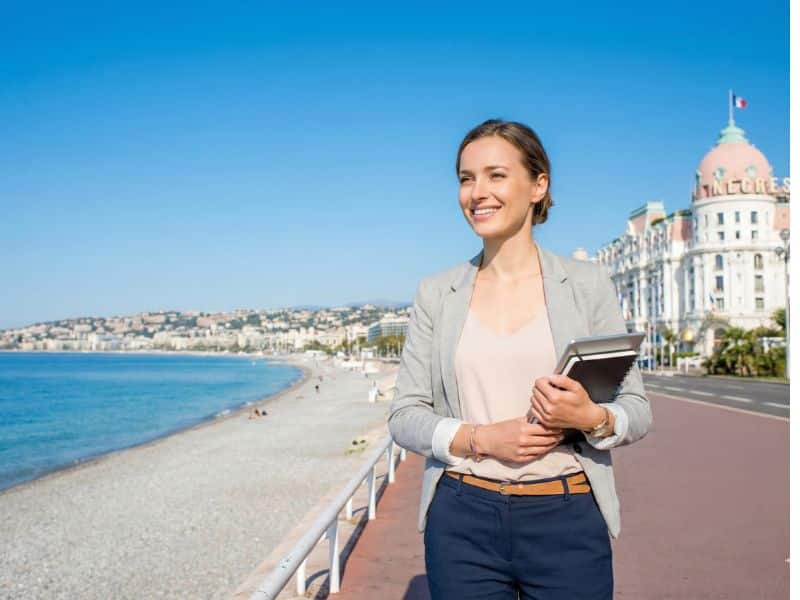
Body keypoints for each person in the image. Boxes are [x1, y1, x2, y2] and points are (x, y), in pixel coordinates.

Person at [387, 119, 652, 600]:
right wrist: (481, 438)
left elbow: (637, 410)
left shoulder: (586, 284)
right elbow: (404, 416)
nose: (476, 192)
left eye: (495, 175)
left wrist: (590, 417)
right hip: (462, 518)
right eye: (466, 178)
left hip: (567, 517)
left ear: (538, 185)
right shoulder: (436, 294)